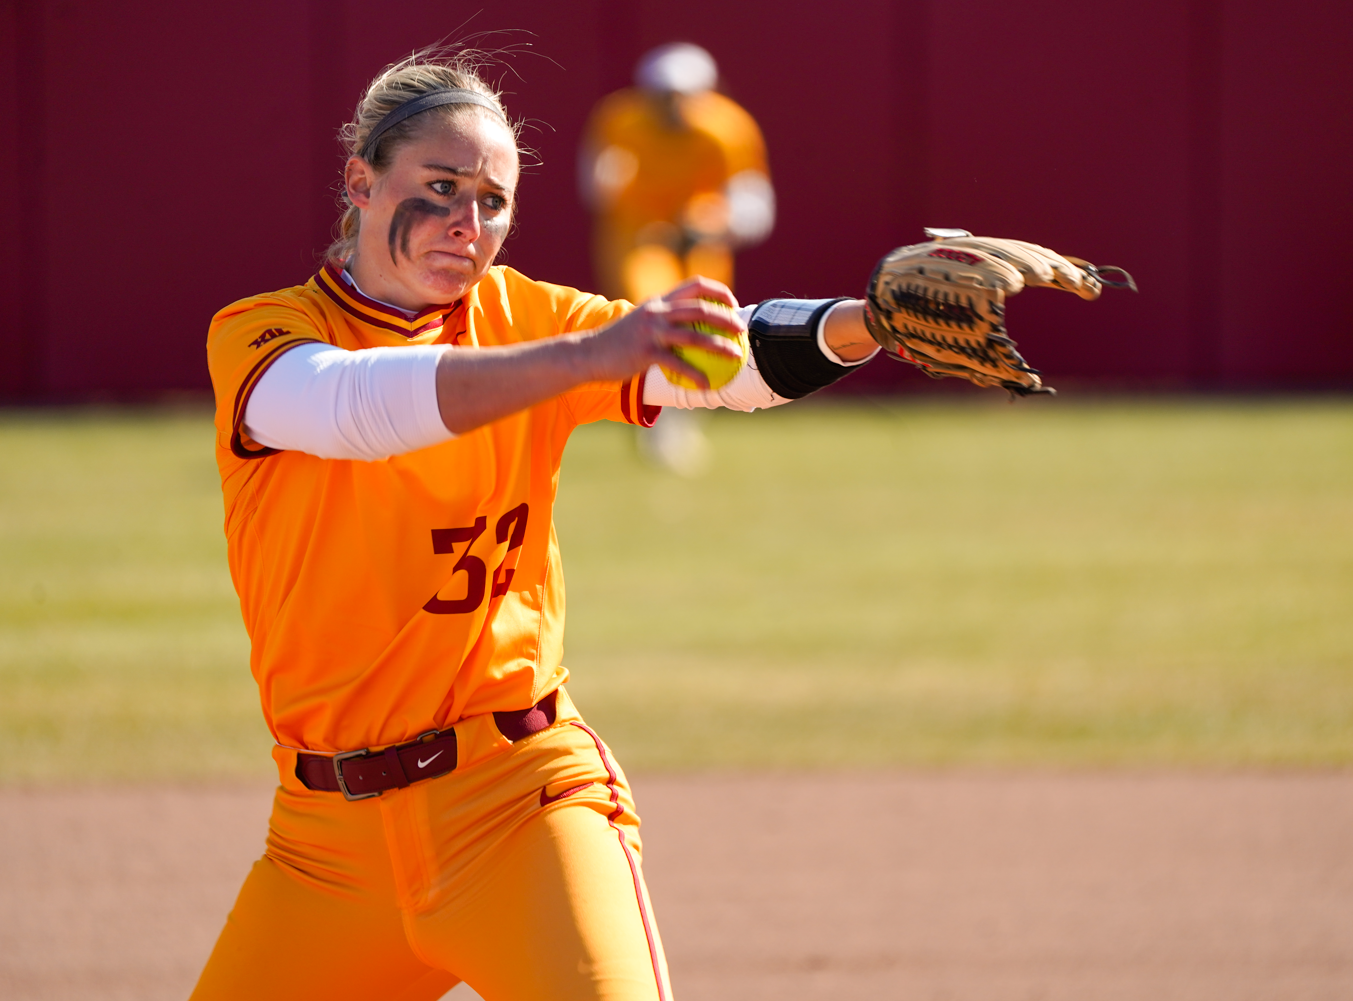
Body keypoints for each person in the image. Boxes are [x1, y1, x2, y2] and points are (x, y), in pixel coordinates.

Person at [194, 48, 877, 1001]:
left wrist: (869, 318)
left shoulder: (525, 316)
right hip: (323, 849)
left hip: (517, 806)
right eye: (438, 187)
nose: (465, 226)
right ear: (360, 178)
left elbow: (723, 366)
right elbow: (353, 408)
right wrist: (585, 357)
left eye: (493, 200)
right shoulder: (265, 330)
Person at [580, 43, 775, 475]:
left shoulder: (727, 129)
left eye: (682, 96)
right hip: (641, 233)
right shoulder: (621, 120)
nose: (673, 107)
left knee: (704, 323)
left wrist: (714, 224)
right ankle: (656, 417)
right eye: (663, 95)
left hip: (699, 237)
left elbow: (755, 207)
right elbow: (597, 185)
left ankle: (680, 416)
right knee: (654, 314)